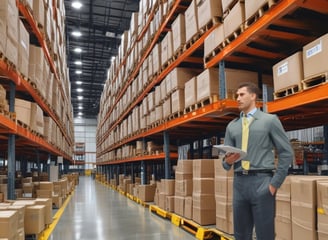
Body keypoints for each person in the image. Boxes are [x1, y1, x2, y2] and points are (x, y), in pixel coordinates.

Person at [222, 82, 294, 240]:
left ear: (253, 96)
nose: (238, 99)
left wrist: (274, 184)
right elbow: (225, 163)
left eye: (242, 95)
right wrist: (228, 161)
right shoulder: (232, 127)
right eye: (237, 96)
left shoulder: (269, 120)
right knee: (240, 234)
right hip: (239, 184)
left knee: (265, 234)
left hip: (262, 182)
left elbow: (286, 152)